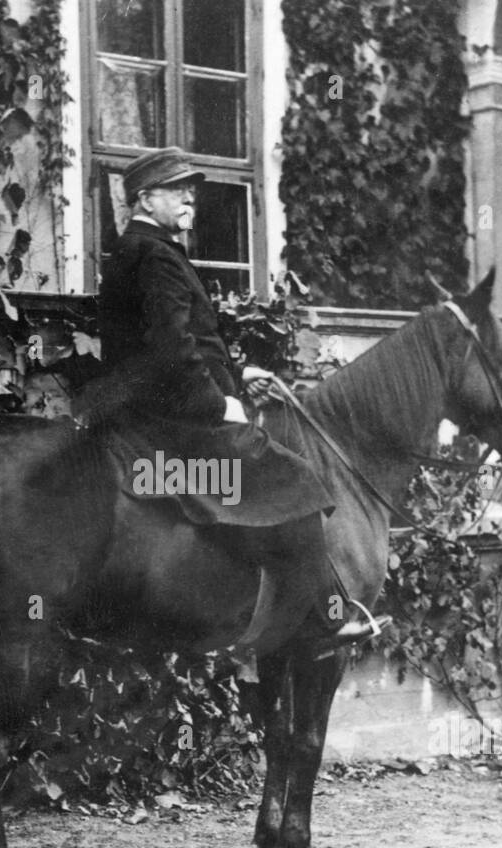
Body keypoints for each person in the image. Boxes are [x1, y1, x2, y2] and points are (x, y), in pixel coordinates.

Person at [87, 146, 385, 651]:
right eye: (177, 190)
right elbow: (171, 349)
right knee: (297, 479)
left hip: (141, 413)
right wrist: (216, 404)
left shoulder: (138, 249)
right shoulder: (155, 255)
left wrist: (237, 372)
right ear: (144, 198)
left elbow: (179, 341)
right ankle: (322, 619)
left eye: (191, 190)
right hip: (169, 424)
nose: (189, 199)